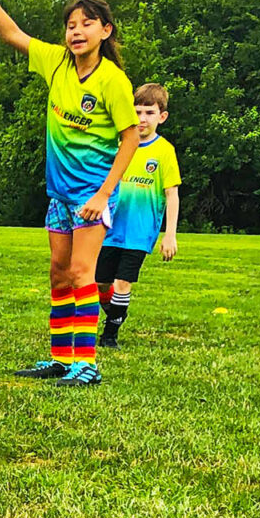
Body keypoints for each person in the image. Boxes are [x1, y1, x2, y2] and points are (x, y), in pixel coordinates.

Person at [0, 0, 137, 386]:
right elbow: (11, 33)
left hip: (92, 196)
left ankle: (87, 365)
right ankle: (62, 359)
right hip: (60, 196)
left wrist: (103, 195)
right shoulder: (56, 63)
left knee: (83, 273)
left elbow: (131, 138)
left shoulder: (113, 81)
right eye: (71, 25)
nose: (76, 31)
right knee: (59, 274)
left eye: (86, 24)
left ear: (106, 31)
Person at [97, 83, 180, 347]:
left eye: (149, 112)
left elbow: (172, 195)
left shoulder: (164, 151)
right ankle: (116, 313)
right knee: (100, 283)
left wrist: (170, 235)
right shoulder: (119, 145)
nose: (142, 119)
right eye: (138, 112)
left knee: (123, 282)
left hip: (139, 231)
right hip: (109, 227)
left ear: (162, 117)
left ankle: (109, 336)